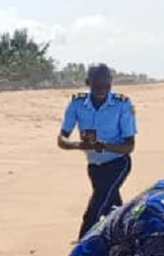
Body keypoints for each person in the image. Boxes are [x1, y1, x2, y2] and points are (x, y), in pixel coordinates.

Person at [57, 64, 138, 239]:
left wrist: (102, 145)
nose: (102, 90)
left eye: (106, 86)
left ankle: (81, 250)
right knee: (112, 207)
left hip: (118, 163)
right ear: (88, 83)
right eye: (97, 86)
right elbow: (62, 140)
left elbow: (129, 146)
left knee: (94, 210)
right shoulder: (77, 103)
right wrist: (78, 145)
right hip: (94, 166)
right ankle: (127, 238)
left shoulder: (122, 104)